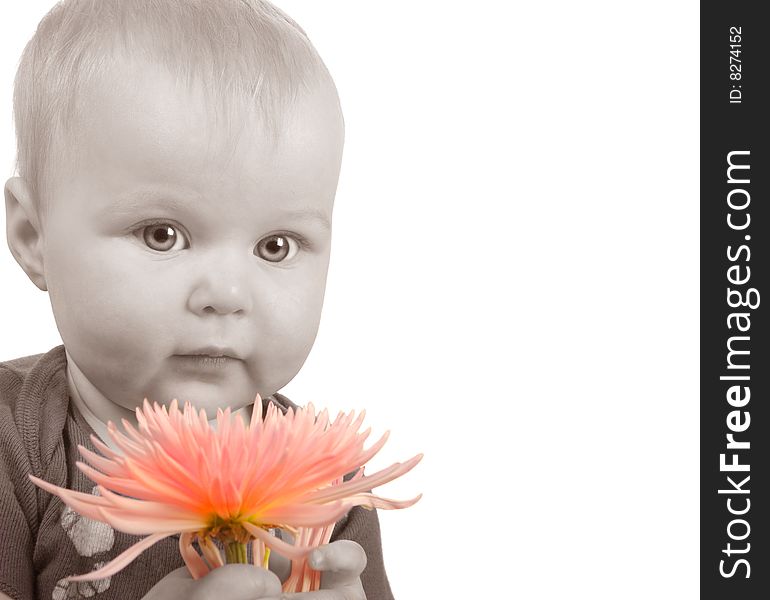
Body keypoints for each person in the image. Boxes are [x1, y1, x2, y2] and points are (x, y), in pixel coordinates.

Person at [0, 1, 394, 598]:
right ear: (34, 238)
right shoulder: (15, 441)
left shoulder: (324, 476)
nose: (227, 296)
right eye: (164, 235)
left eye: (276, 246)